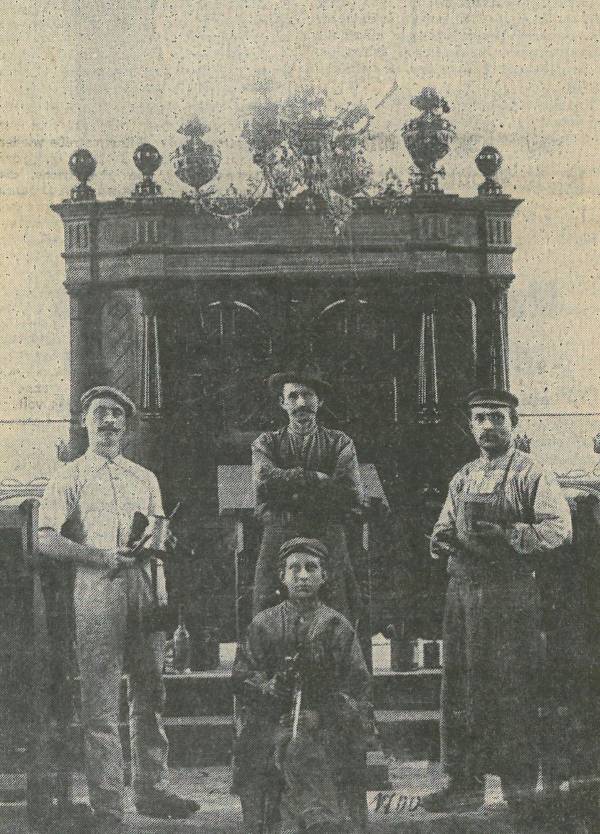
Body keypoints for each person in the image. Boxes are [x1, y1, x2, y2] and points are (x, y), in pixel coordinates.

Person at [37, 386, 198, 834]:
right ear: (85, 422)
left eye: (116, 415)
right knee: (101, 697)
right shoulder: (69, 476)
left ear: (126, 426)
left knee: (151, 692)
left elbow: (159, 535)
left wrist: (159, 567)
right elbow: (45, 539)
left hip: (145, 584)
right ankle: (107, 804)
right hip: (96, 586)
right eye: (99, 413)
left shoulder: (144, 478)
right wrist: (101, 556)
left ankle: (152, 789)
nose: (108, 421)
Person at [422, 388, 572, 816]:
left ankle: (519, 787)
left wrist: (509, 536)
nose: (488, 426)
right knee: (462, 686)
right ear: (470, 427)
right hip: (464, 595)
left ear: (514, 423)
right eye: (480, 419)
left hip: (510, 596)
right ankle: (463, 782)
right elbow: (444, 523)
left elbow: (559, 528)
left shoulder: (532, 473)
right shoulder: (463, 476)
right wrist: (442, 538)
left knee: (510, 686)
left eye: (497, 418)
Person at [232, 537, 373, 834]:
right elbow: (243, 676)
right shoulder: (263, 624)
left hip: (327, 724)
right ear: (281, 576)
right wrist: (270, 687)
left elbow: (357, 687)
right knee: (271, 747)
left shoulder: (337, 626)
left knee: (304, 748)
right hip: (272, 720)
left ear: (325, 576)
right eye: (294, 569)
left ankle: (320, 820)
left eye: (311, 568)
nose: (303, 576)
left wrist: (322, 715)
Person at [252, 369, 365, 623]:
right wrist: (316, 478)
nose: (301, 403)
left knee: (338, 605)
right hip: (280, 528)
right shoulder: (265, 444)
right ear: (282, 403)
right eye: (293, 396)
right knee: (265, 604)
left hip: (326, 529)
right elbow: (264, 485)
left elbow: (348, 493)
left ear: (320, 401)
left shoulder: (340, 443)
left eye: (308, 395)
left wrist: (289, 486)